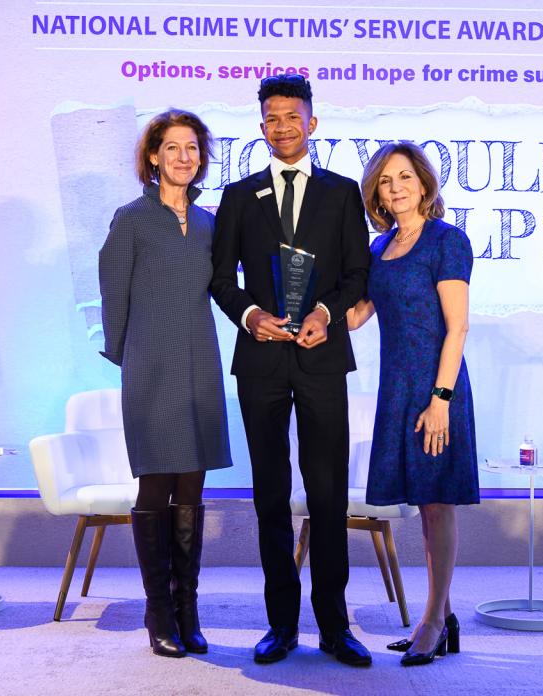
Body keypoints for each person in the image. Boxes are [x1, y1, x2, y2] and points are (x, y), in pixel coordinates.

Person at [211, 76, 372, 666]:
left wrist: (328, 313)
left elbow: (359, 273)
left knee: (329, 494)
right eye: (272, 118)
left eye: (292, 116)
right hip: (260, 363)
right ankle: (281, 625)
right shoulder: (238, 195)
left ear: (313, 122)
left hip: (323, 358)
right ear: (261, 127)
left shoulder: (342, 192)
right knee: (271, 495)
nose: (282, 126)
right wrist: (250, 314)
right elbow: (220, 279)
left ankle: (335, 626)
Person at [99, 109, 232, 658]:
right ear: (153, 156)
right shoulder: (130, 218)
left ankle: (187, 610)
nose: (184, 157)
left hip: (200, 360)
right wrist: (133, 356)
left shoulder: (208, 222)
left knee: (192, 489)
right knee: (155, 486)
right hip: (150, 364)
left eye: (192, 148)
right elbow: (114, 296)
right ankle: (158, 614)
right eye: (172, 147)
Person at [348, 142, 479, 667]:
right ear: (376, 192)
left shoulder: (447, 241)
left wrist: (441, 399)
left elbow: (458, 325)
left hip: (435, 389)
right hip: (397, 390)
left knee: (437, 504)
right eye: (385, 180)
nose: (396, 187)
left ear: (425, 184)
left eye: (405, 176)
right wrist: (300, 310)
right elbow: (357, 316)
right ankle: (441, 618)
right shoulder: (379, 248)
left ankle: (431, 620)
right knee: (421, 507)